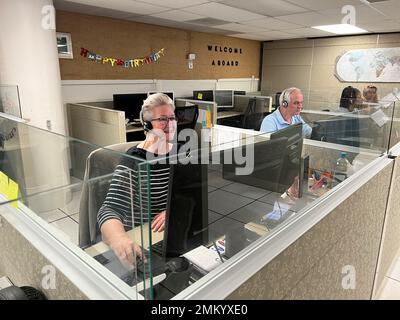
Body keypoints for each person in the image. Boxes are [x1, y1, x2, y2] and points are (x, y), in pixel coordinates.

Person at [97, 93, 177, 268]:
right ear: (147, 125)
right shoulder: (134, 160)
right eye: (163, 119)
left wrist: (173, 210)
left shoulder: (181, 153)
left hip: (173, 233)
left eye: (172, 118)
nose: (170, 124)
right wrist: (120, 239)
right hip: (144, 238)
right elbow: (109, 210)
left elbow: (193, 193)